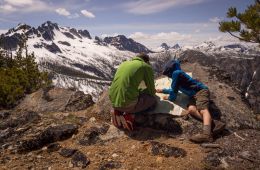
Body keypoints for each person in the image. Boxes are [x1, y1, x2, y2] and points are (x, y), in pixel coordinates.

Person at [156, 60, 225, 143]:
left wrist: (169, 98)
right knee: (191, 109)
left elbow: (174, 93)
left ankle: (206, 134)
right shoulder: (177, 73)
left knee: (202, 109)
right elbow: (175, 89)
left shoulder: (176, 74)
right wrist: (163, 90)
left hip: (200, 91)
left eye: (167, 73)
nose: (168, 76)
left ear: (170, 71)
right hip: (194, 95)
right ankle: (215, 124)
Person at [109, 53, 157, 131]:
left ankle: (117, 112)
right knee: (153, 100)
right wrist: (151, 91)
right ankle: (130, 116)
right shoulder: (145, 66)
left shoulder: (123, 64)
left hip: (113, 101)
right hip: (127, 103)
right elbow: (151, 91)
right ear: (147, 61)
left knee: (129, 95)